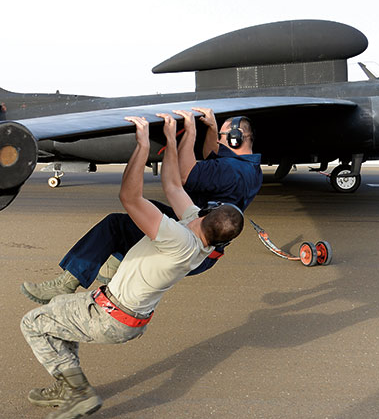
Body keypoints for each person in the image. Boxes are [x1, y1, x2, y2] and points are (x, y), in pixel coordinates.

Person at [20, 113, 245, 419]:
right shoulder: (202, 239)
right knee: (57, 312)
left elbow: (129, 197)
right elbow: (172, 185)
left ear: (206, 216)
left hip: (111, 317)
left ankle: (79, 392)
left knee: (32, 324)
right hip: (121, 313)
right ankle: (64, 383)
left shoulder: (179, 239)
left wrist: (141, 146)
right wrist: (169, 137)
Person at [20, 108, 259, 304]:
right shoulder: (249, 168)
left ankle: (67, 284)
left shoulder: (230, 171)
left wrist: (187, 133)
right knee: (141, 217)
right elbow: (212, 156)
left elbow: (184, 175)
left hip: (190, 241)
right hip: (203, 239)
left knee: (117, 225)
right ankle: (114, 266)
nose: (217, 141)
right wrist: (214, 129)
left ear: (236, 138)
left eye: (222, 136)